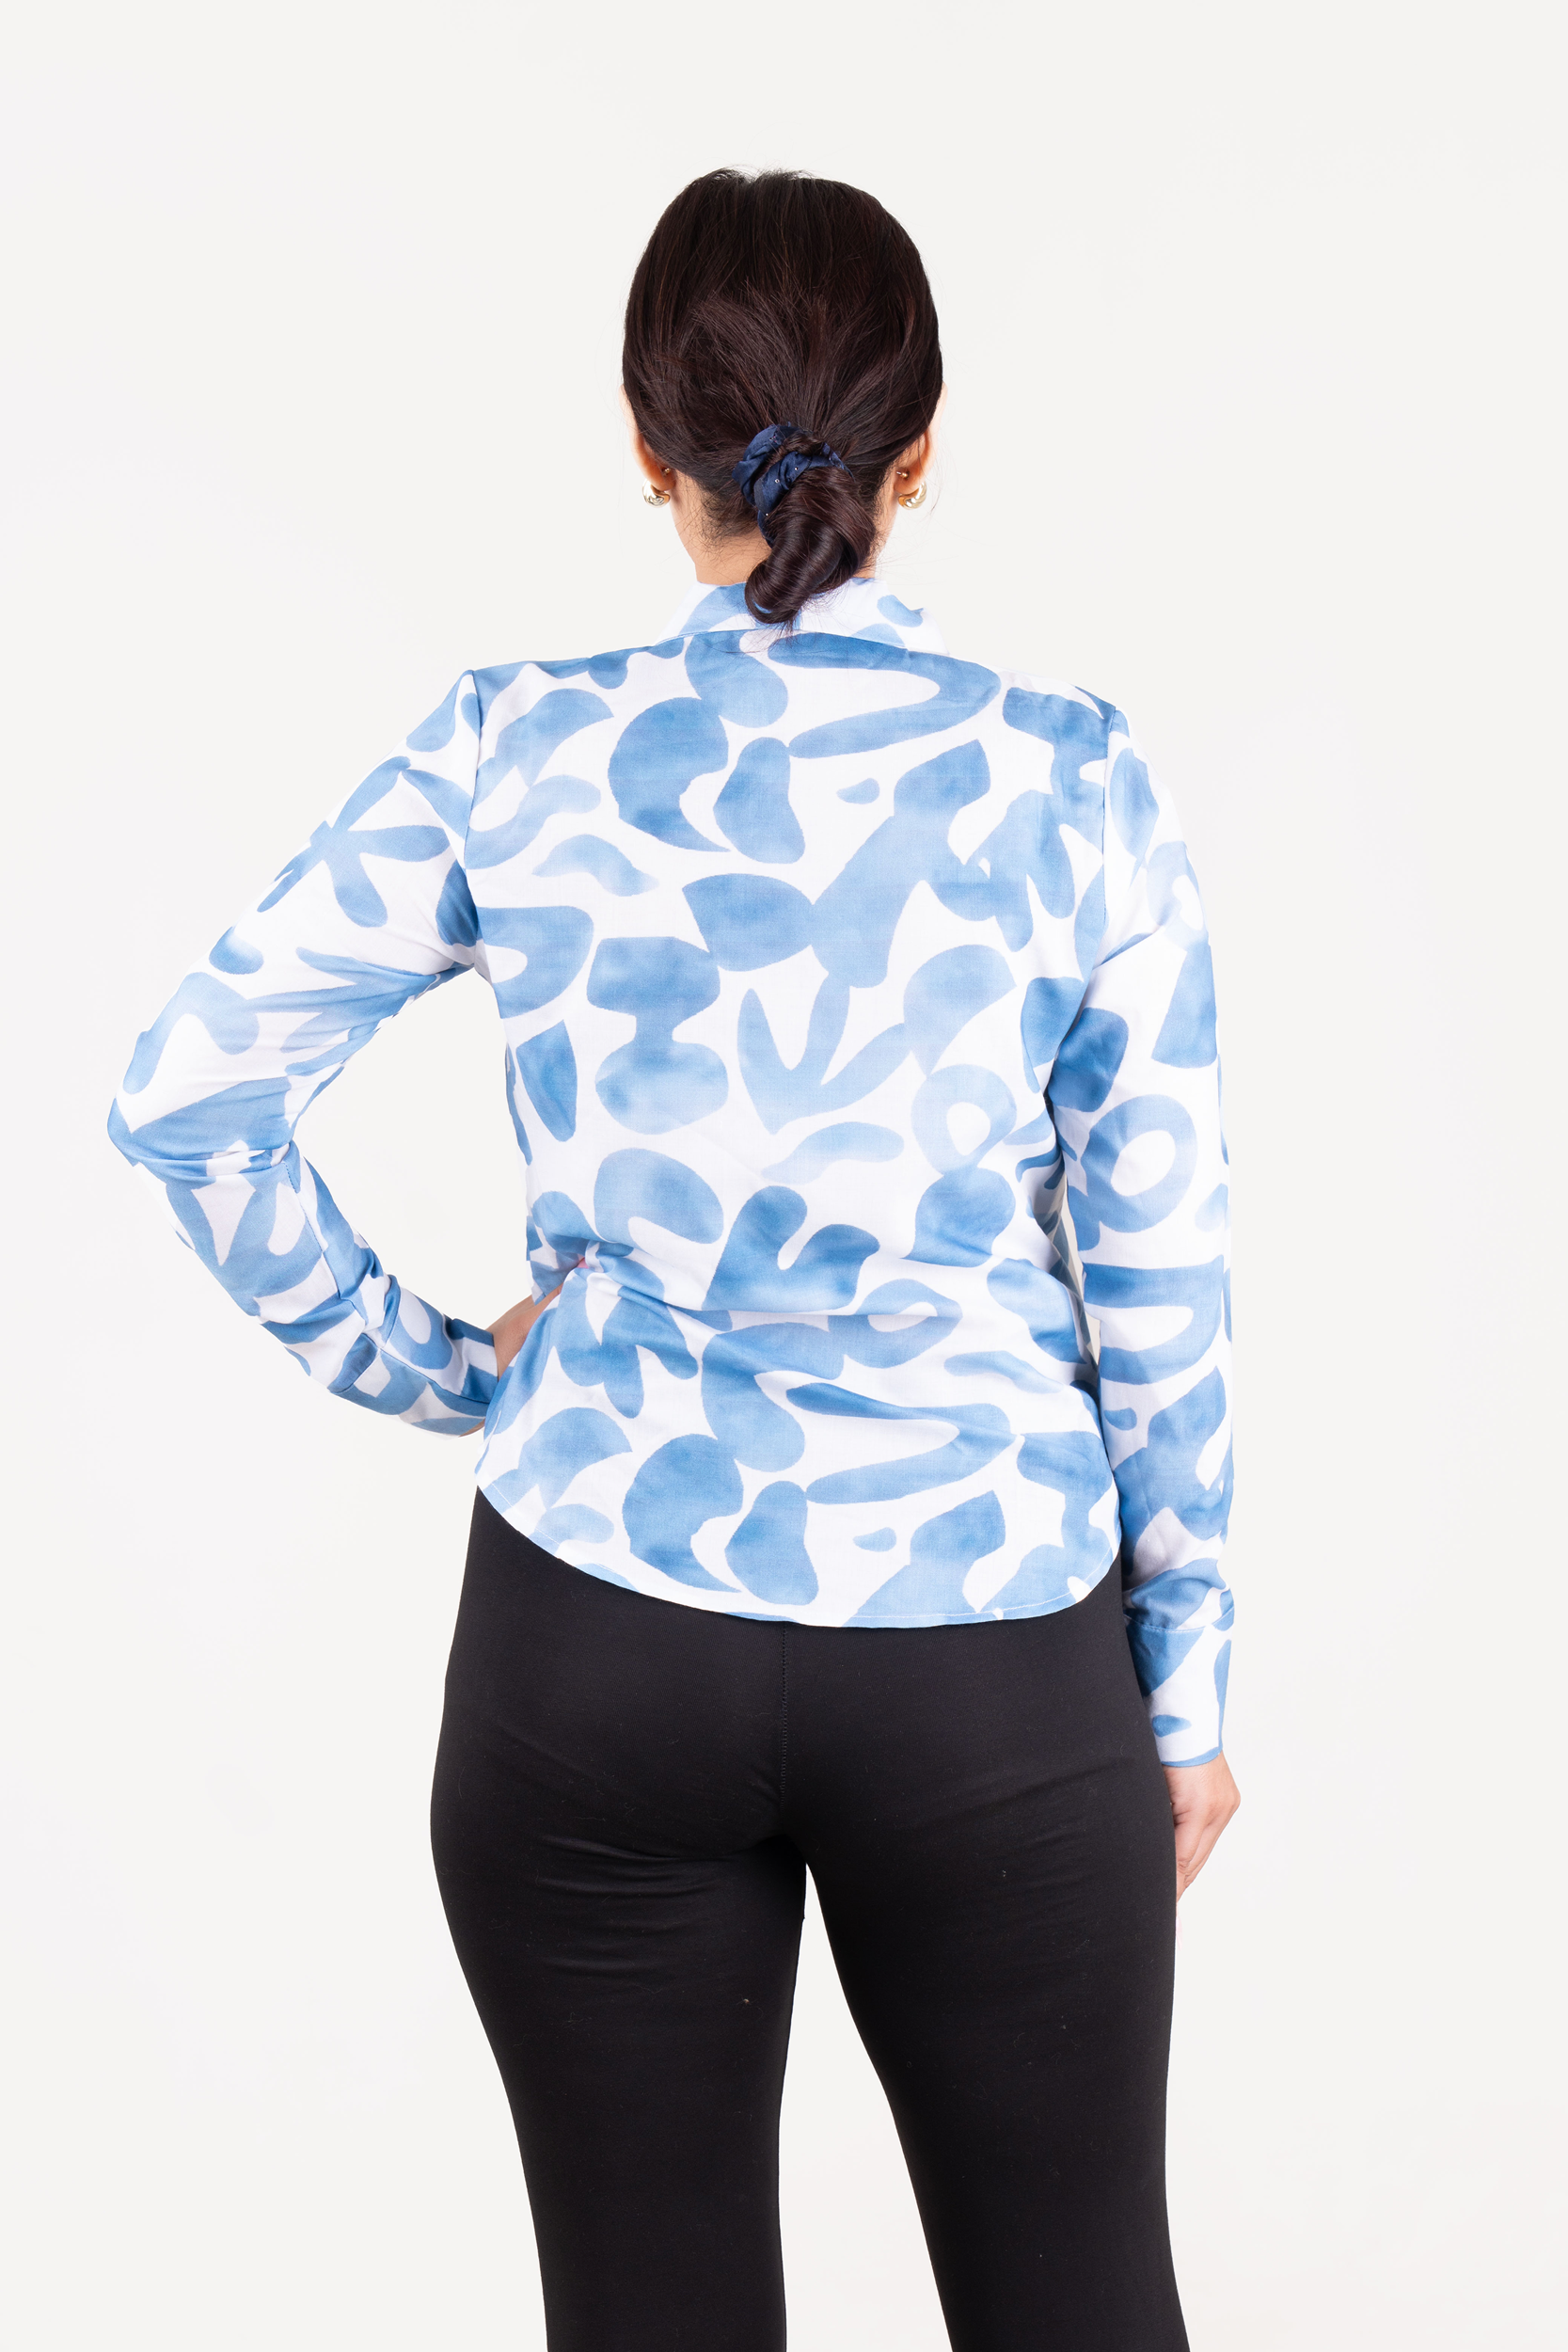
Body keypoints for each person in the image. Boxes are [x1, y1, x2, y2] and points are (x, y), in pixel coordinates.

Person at [112, 167, 1239, 2352]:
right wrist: (1179, 1690)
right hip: (989, 1656)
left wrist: (458, 1369)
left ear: (647, 452)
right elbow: (1155, 1265)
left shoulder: (508, 743)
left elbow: (186, 1093)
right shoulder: (1069, 775)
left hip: (595, 1642)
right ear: (921, 453)